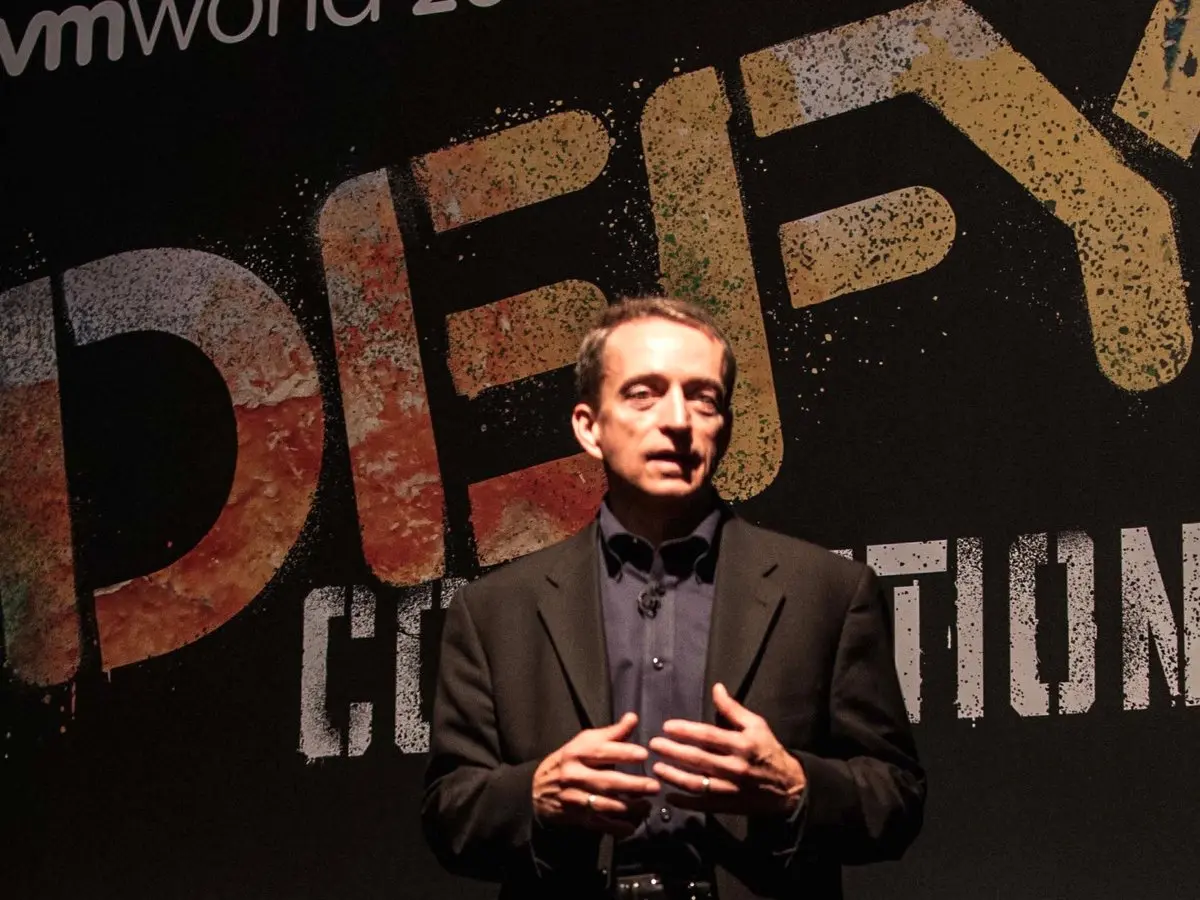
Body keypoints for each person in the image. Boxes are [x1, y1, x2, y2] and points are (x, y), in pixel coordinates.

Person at [422, 297, 925, 900]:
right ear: (589, 426)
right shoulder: (494, 610)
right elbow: (449, 814)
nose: (679, 420)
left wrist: (796, 786)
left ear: (725, 427)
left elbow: (897, 798)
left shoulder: (828, 592)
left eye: (704, 398)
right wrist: (536, 795)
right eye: (643, 394)